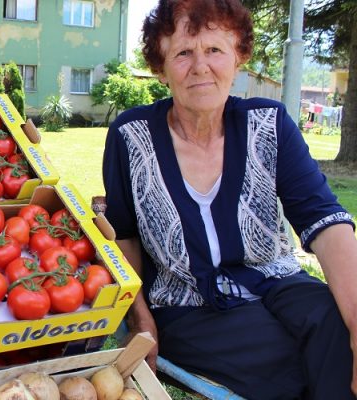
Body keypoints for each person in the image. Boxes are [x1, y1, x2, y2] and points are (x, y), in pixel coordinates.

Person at [102, 0, 357, 398]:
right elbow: (123, 237)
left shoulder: (269, 124)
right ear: (161, 68)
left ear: (238, 57)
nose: (200, 67)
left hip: (279, 280)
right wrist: (140, 318)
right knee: (283, 364)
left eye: (215, 50)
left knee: (336, 326)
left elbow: (324, 220)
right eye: (183, 53)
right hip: (186, 304)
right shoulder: (130, 137)